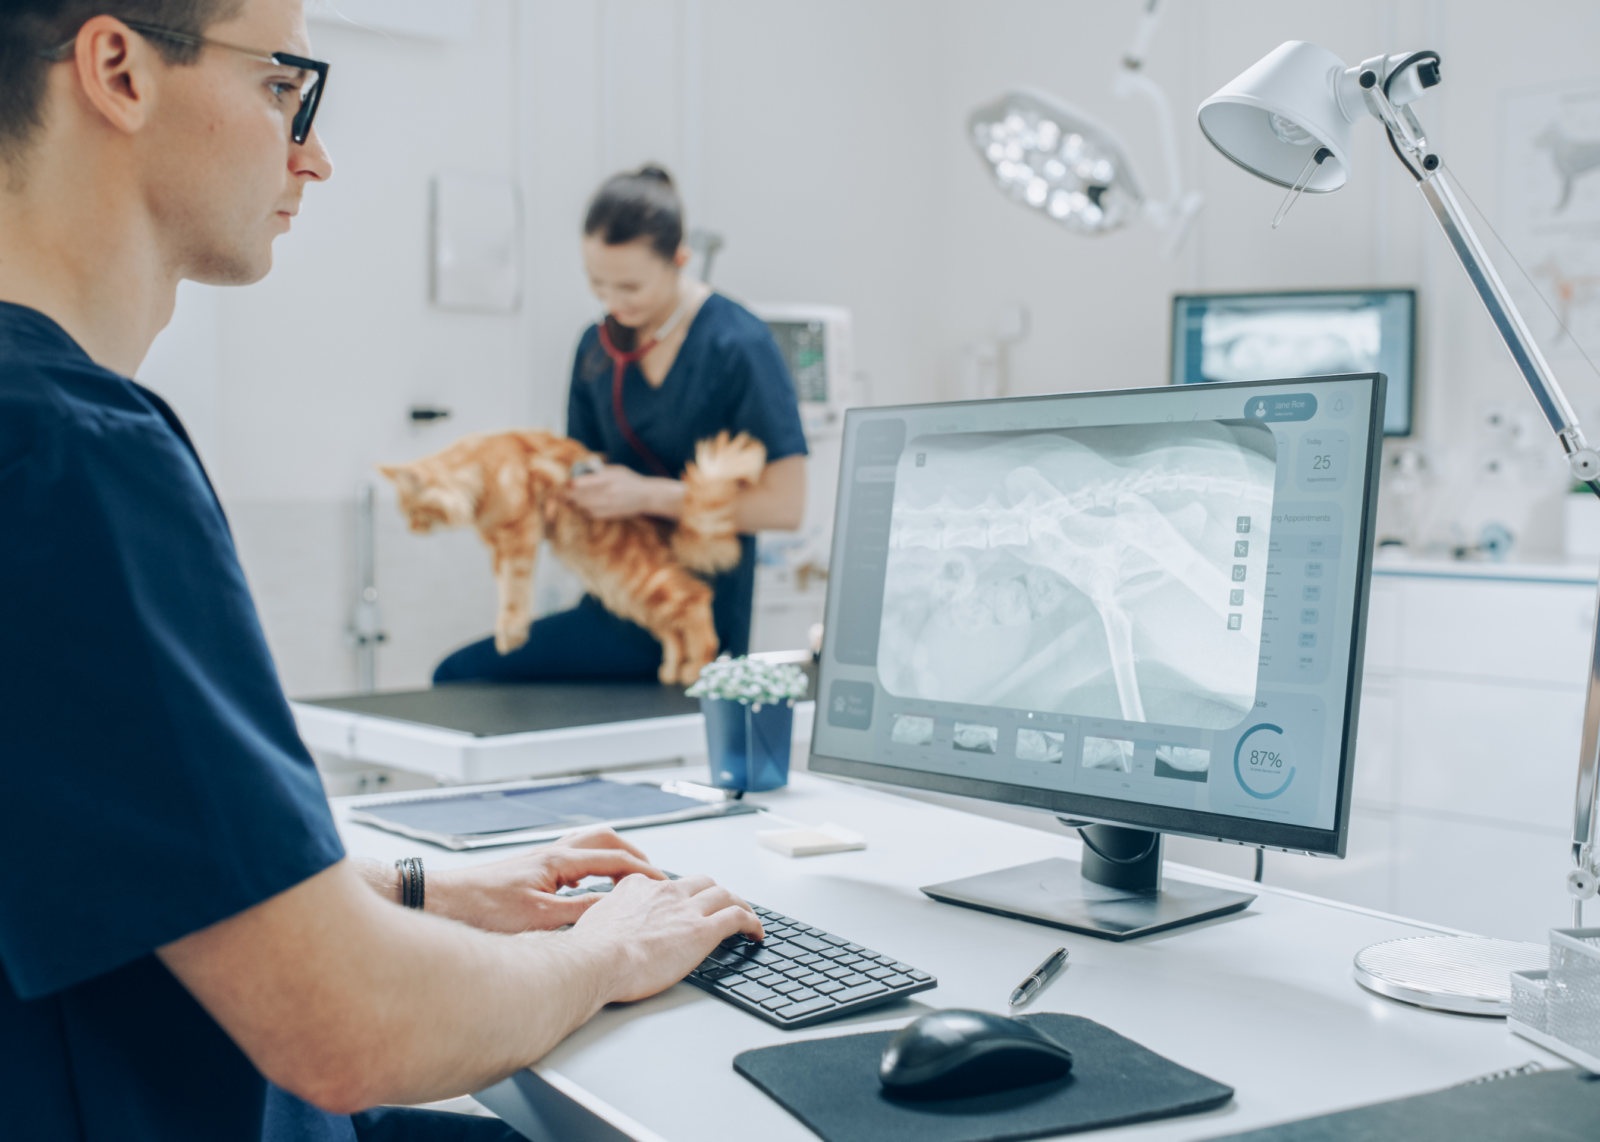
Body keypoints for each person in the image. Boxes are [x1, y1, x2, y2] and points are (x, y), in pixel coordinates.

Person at [0, 4, 762, 1140]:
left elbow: (136, 863)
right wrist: (611, 950)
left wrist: (437, 889)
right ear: (119, 69)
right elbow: (351, 1026)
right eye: (279, 88)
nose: (312, 151)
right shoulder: (76, 457)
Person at [433, 165, 809, 683]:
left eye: (630, 286)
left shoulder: (738, 346)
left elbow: (785, 507)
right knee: (458, 677)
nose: (613, 303)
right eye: (598, 284)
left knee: (465, 681)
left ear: (680, 260)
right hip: (613, 606)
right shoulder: (595, 350)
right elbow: (579, 478)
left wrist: (648, 496)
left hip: (697, 617)